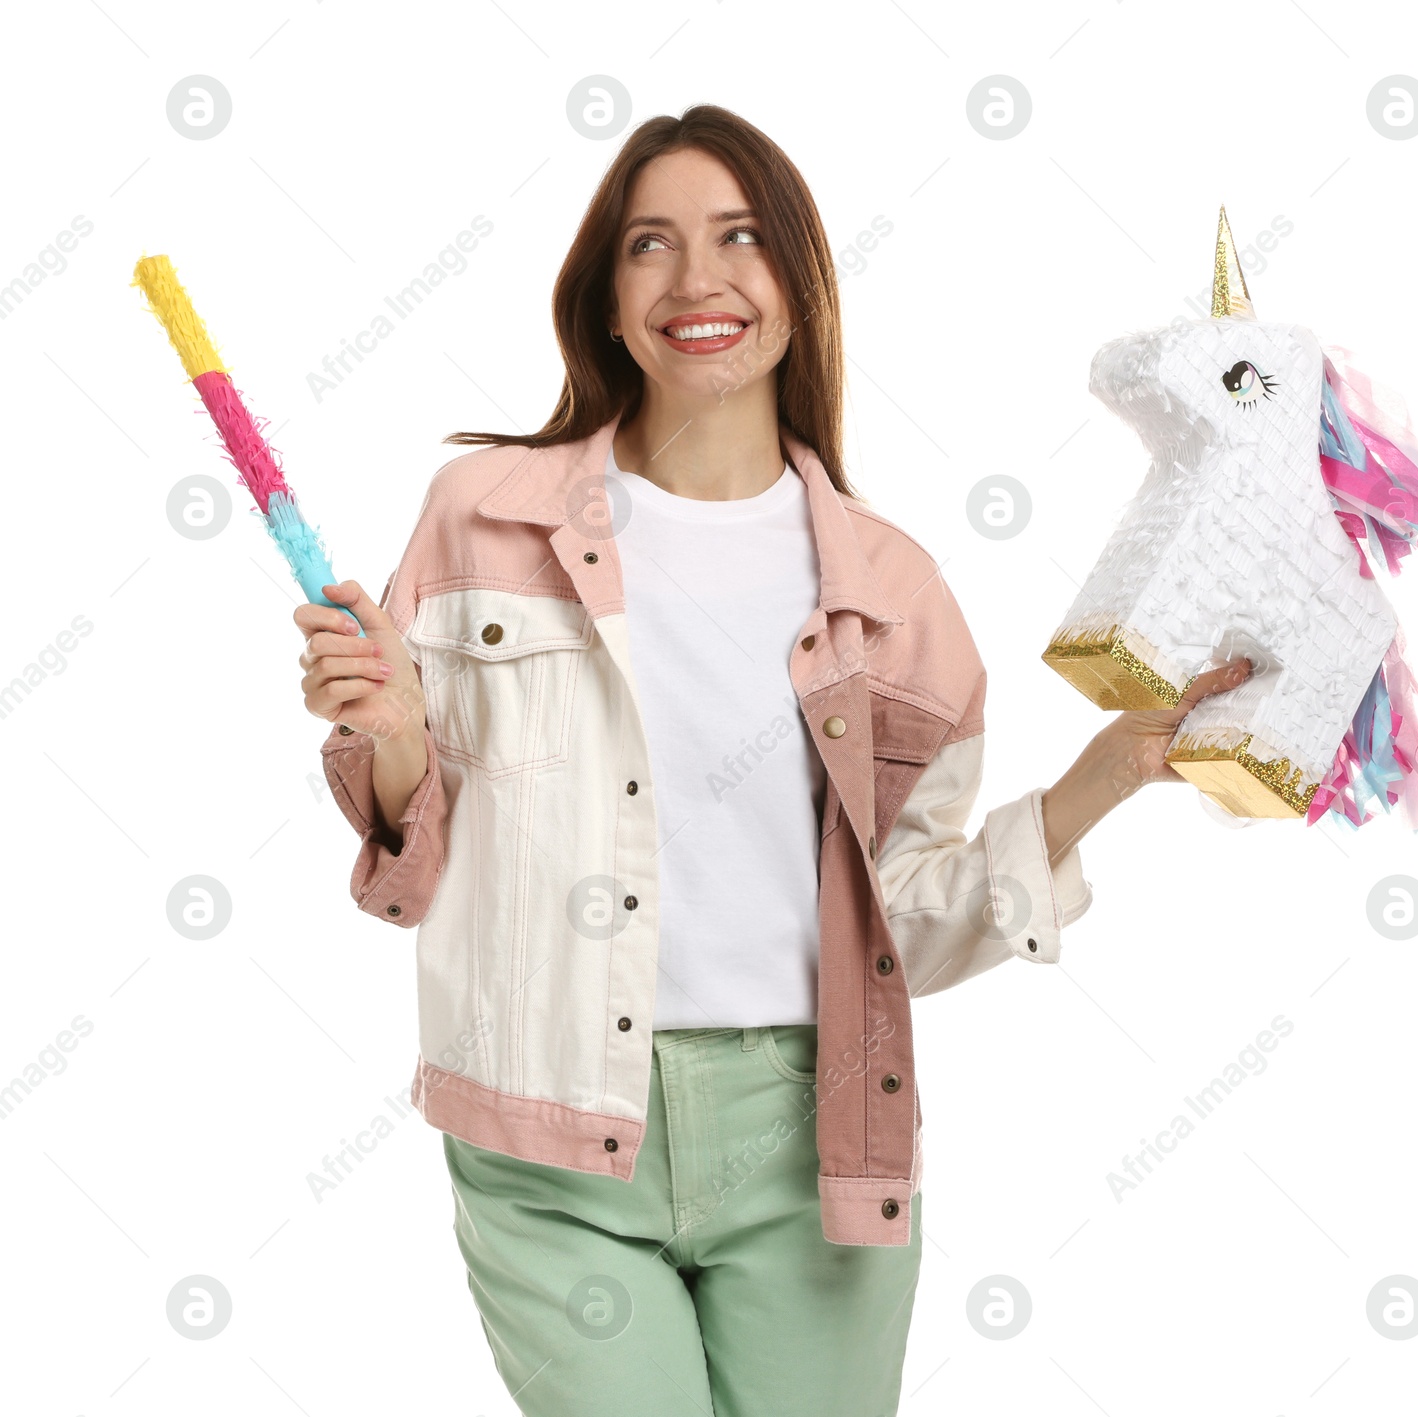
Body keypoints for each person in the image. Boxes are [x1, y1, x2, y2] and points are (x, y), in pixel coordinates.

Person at [294, 103, 1250, 1417]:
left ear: (797, 287)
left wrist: (1103, 779)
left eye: (740, 237)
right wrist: (394, 733)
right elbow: (414, 862)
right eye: (652, 245)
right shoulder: (482, 520)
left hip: (813, 1143)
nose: (699, 279)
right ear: (607, 299)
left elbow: (908, 923)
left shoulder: (893, 591)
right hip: (550, 1129)